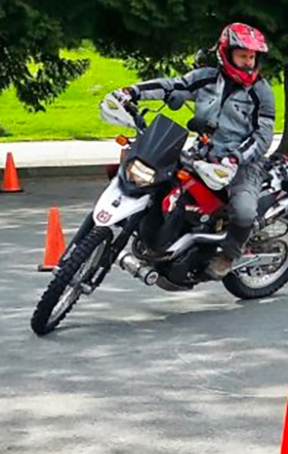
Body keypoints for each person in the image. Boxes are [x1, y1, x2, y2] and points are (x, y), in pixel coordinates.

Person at [109, 22, 275, 279]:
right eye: (243, 56)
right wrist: (132, 92)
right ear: (226, 53)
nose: (248, 63)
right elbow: (172, 86)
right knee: (158, 180)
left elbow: (263, 136)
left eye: (252, 57)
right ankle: (159, 240)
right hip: (203, 153)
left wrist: (235, 158)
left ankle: (229, 255)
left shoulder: (261, 92)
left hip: (243, 164)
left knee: (243, 211)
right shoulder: (206, 78)